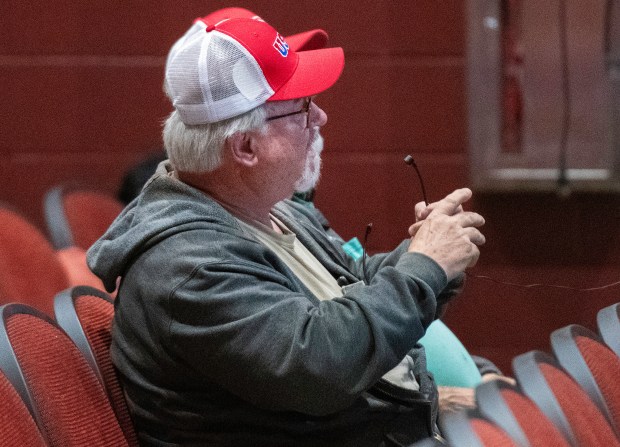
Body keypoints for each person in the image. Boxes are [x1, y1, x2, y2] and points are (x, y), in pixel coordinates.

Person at [87, 13, 486, 447]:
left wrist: (432, 255)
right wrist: (423, 267)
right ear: (246, 147)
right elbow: (321, 364)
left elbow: (350, 290)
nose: (321, 118)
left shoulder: (267, 209)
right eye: (302, 108)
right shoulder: (189, 267)